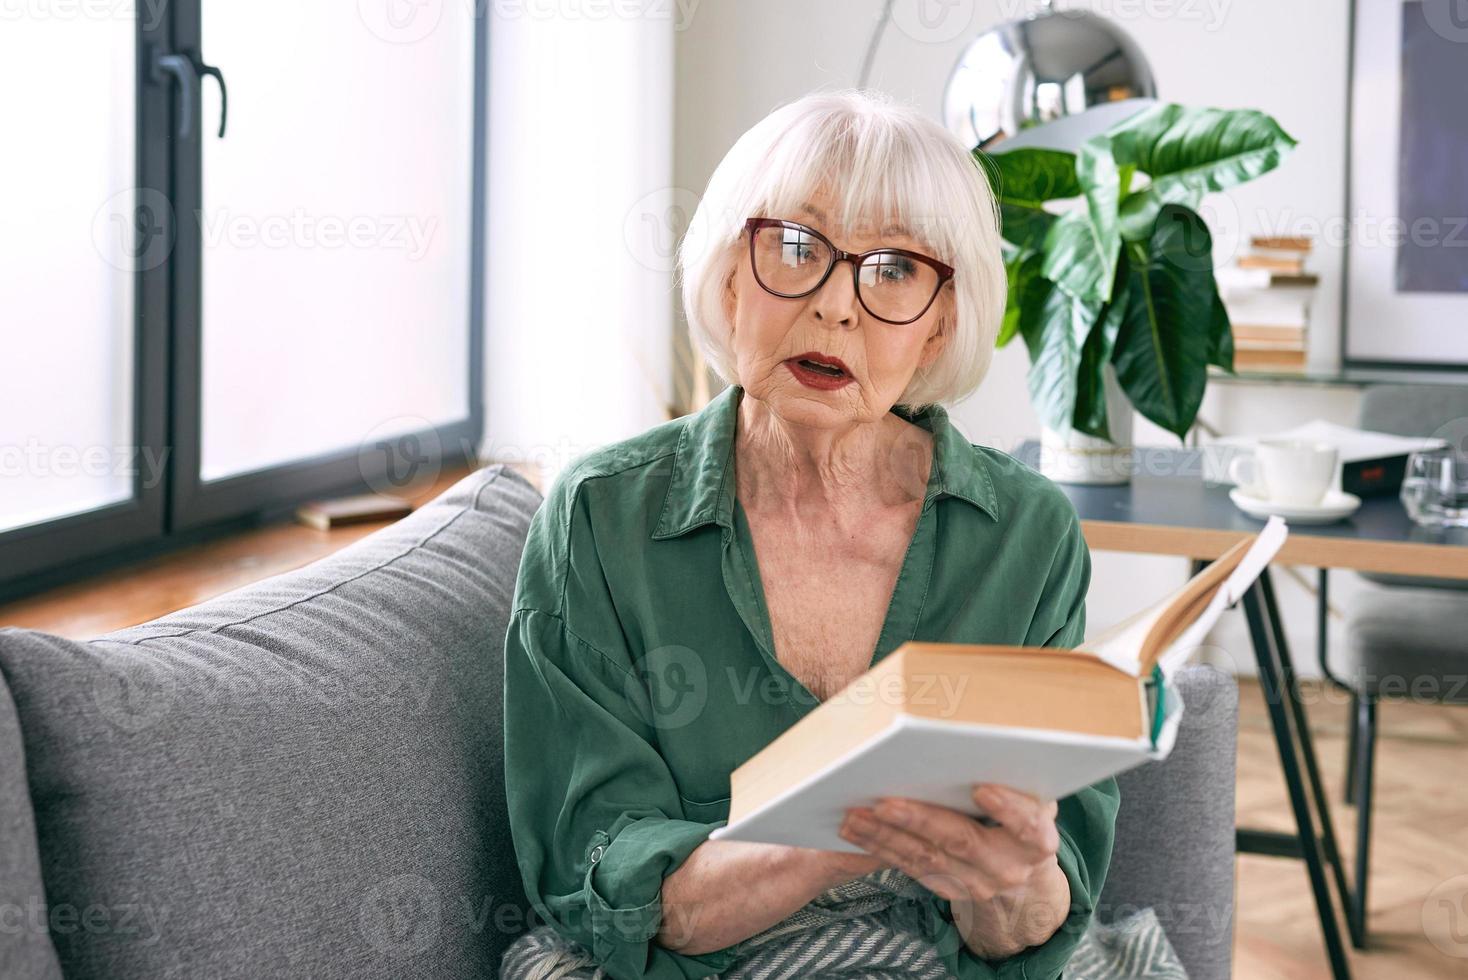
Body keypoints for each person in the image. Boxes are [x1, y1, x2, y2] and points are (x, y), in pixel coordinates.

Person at [500, 87, 1118, 980]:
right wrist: (861, 823)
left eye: (897, 268)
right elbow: (605, 883)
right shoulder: (600, 517)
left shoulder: (1028, 536)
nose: (837, 307)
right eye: (795, 247)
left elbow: (1030, 926)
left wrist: (1010, 882)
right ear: (727, 275)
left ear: (942, 319)